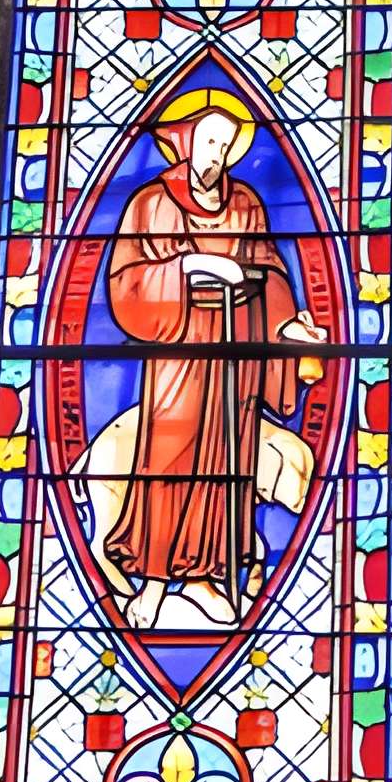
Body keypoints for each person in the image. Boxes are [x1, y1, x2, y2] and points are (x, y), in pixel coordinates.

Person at [103, 89, 327, 629]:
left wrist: (287, 326)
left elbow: (269, 269)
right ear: (183, 141)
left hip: (238, 347)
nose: (217, 155)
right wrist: (188, 267)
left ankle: (209, 577)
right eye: (208, 142)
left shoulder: (246, 203)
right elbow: (127, 282)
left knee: (229, 460)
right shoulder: (151, 203)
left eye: (225, 146)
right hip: (181, 350)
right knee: (170, 457)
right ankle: (154, 584)